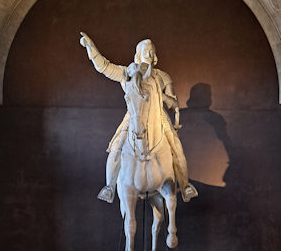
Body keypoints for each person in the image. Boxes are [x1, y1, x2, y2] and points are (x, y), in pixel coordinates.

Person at [79, 32, 198, 203]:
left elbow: (173, 102)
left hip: (158, 117)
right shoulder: (127, 72)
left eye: (151, 51)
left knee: (176, 147)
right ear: (138, 54)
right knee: (116, 147)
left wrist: (160, 95)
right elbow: (104, 67)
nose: (149, 54)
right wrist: (91, 48)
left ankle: (185, 185)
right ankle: (110, 186)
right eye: (145, 51)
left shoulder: (162, 76)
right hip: (133, 116)